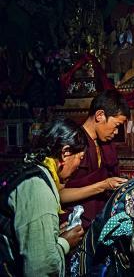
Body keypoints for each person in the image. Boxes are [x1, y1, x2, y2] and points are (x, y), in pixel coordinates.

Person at [1, 118, 86, 276]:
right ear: (65, 153)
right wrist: (65, 243)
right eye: (80, 158)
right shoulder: (37, 187)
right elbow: (40, 267)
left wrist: (51, 234)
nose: (78, 166)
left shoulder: (30, 170)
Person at [61, 89, 130, 229]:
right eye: (116, 126)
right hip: (74, 221)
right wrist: (103, 185)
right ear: (100, 115)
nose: (116, 132)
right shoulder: (73, 145)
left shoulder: (106, 144)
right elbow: (60, 195)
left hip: (101, 217)